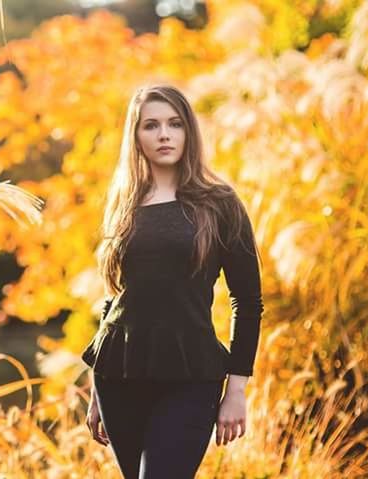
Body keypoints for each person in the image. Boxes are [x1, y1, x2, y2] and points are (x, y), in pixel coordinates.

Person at [81, 84, 264, 478]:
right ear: (136, 136)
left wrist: (236, 391)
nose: (164, 134)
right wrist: (96, 389)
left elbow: (247, 303)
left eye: (174, 124)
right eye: (151, 125)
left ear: (188, 132)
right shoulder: (124, 203)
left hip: (191, 376)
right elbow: (117, 298)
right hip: (118, 377)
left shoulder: (220, 204)